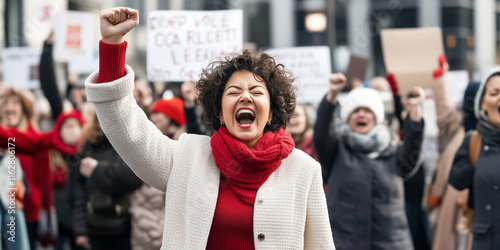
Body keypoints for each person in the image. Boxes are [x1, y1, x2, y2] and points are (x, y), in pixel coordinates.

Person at [83, 7, 334, 249]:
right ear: (220, 113)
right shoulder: (187, 157)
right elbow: (130, 131)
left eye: (256, 92)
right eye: (234, 92)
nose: (245, 97)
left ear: (270, 113)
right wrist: (113, 46)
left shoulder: (304, 170)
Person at [314, 73, 424, 250]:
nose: (361, 115)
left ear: (377, 117)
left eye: (367, 111)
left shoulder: (393, 152)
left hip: (392, 244)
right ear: (347, 117)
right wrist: (333, 94)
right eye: (356, 110)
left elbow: (413, 150)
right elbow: (320, 134)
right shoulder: (336, 151)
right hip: (345, 243)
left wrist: (415, 110)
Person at [72, 111, 143, 250]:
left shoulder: (127, 146)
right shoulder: (87, 147)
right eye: (102, 118)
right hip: (94, 225)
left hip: (123, 224)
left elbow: (131, 178)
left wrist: (96, 170)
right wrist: (80, 230)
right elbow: (78, 194)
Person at [449, 67, 500, 250]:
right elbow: (456, 181)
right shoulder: (473, 142)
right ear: (482, 103)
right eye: (494, 93)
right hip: (486, 243)